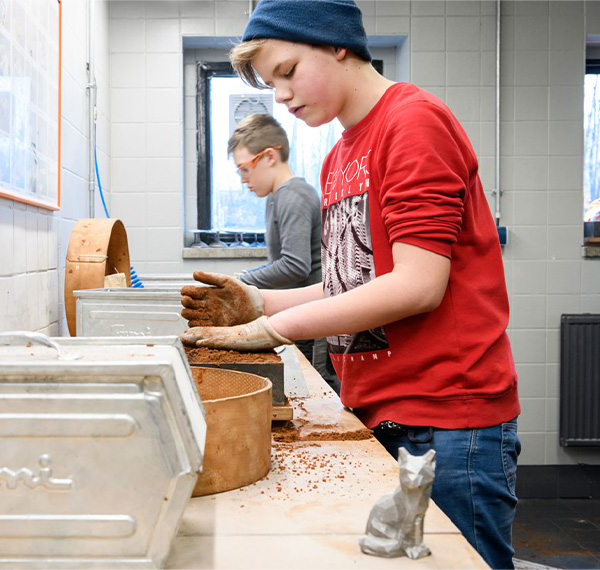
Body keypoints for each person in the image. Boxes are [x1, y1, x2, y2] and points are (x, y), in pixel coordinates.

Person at [179, 1, 521, 568]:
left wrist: (273, 327)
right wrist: (257, 301)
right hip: (382, 410)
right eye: (271, 84)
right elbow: (351, 283)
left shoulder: (412, 123)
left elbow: (416, 286)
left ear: (337, 43)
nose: (281, 96)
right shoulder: (340, 154)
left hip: (448, 420)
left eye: (287, 72)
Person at [224, 113, 338, 391]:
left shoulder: (293, 195)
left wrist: (242, 280)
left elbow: (294, 265)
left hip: (313, 321)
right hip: (301, 313)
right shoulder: (278, 195)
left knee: (317, 394)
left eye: (245, 169)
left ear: (270, 157)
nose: (242, 179)